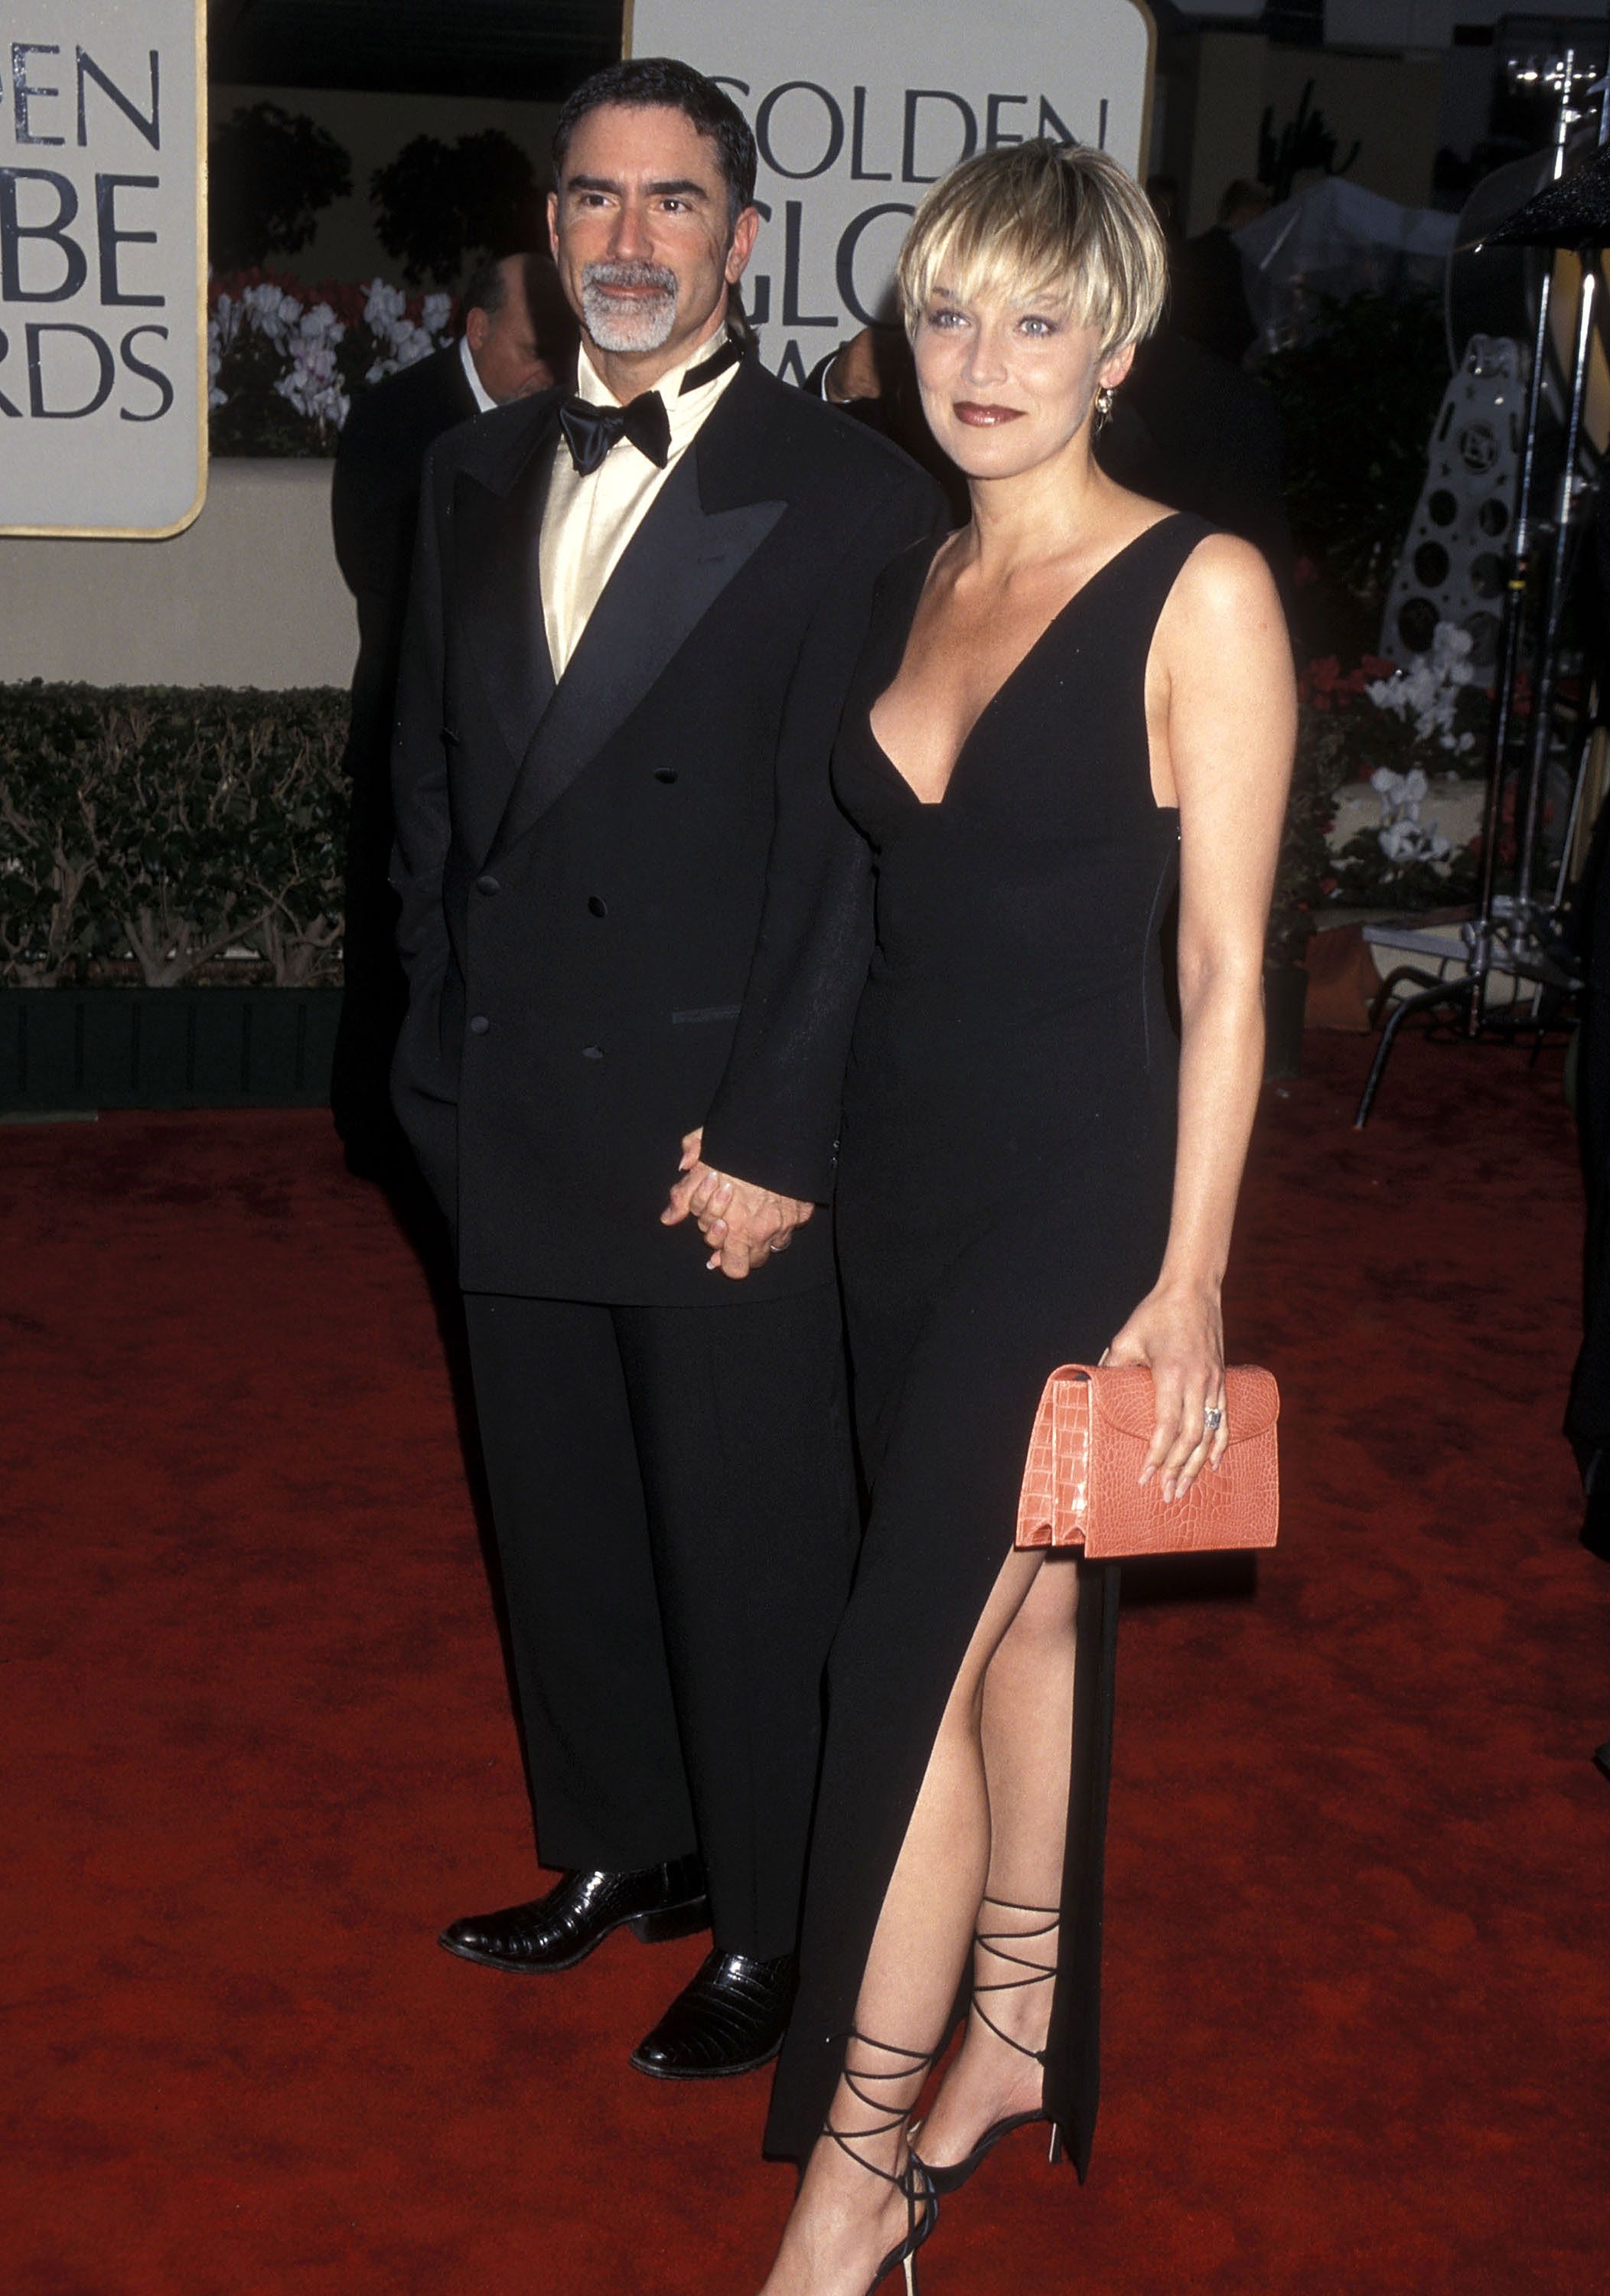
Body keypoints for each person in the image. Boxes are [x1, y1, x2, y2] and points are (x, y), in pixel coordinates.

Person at [678, 139, 1292, 2291]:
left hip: (1074, 1198)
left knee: (896, 1657)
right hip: (903, 1193)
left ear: (1117, 345)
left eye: (1041, 317)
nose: (987, 359)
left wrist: (1194, 1277)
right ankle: (1018, 2035)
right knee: (1023, 1614)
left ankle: (853, 2190)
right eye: (950, 310)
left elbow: (1226, 977)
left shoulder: (1198, 590)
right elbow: (841, 909)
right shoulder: (907, 581)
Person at [389, 59, 944, 2080]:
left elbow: (856, 852)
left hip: (721, 1127)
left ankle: (778, 1911)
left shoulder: (859, 492)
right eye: (596, 202)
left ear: (745, 236)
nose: (629, 242)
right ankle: (623, 1842)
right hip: (516, 1088)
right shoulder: (470, 472)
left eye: (675, 204)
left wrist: (788, 1129)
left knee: (742, 1530)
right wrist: (430, 1052)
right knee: (561, 1509)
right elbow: (436, 794)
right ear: (554, 227)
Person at [330, 252, 578, 1181]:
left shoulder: (559, 424)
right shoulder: (398, 418)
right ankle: (379, 1131)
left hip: (521, 741)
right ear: (477, 333)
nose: (552, 369)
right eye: (532, 347)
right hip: (410, 727)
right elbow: (385, 580)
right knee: (393, 933)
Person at [1171, 177, 1269, 367]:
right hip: (1228, 359)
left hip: (1188, 354)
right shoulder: (1248, 261)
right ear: (1249, 210)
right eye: (1263, 211)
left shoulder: (1191, 250)